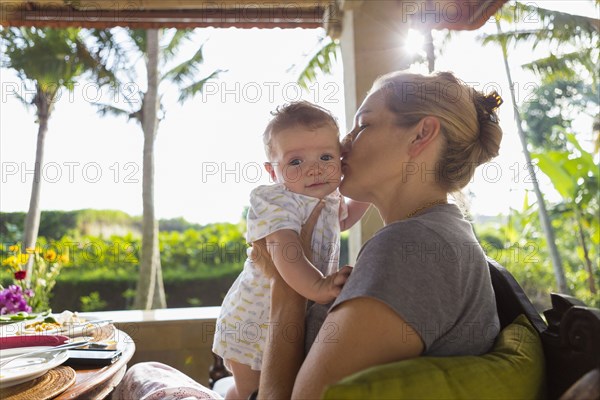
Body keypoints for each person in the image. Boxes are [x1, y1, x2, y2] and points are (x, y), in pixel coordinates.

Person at [114, 70, 504, 400]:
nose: (345, 143)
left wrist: (287, 286)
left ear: (420, 136)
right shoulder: (435, 234)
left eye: (363, 125)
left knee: (140, 373)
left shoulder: (412, 249)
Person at [212, 101, 369, 399]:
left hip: (289, 317)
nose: (314, 168)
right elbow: (285, 248)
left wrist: (371, 190)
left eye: (326, 156)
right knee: (253, 390)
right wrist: (319, 286)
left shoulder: (331, 197)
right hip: (253, 322)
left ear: (340, 159)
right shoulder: (276, 201)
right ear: (273, 172)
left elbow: (344, 219)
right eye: (296, 162)